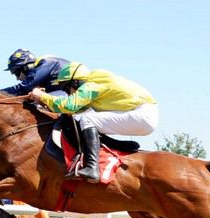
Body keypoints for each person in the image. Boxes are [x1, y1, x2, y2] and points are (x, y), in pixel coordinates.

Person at [29, 62, 159, 183]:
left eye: (66, 88)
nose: (68, 93)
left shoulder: (91, 85)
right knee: (88, 119)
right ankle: (116, 146)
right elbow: (75, 110)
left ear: (75, 82)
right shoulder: (94, 83)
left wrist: (41, 96)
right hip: (143, 114)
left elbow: (69, 106)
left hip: (142, 115)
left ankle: (92, 167)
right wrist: (45, 104)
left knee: (88, 119)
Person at [1, 48, 70, 96]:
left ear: (25, 68)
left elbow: (24, 88)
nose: (17, 78)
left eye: (16, 73)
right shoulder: (43, 71)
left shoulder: (46, 63)